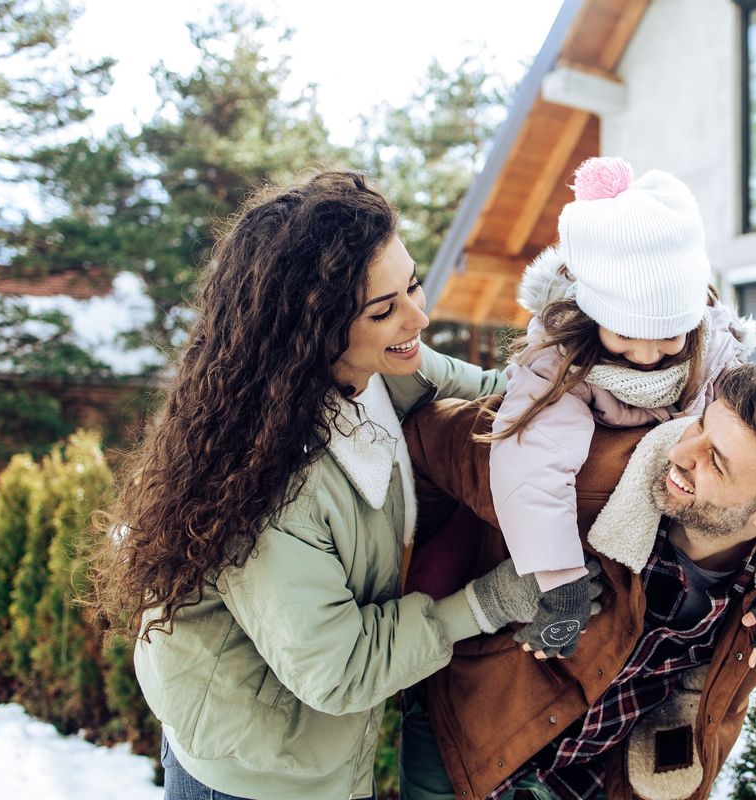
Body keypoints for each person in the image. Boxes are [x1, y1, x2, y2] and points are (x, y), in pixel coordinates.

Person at [90, 171, 574, 800]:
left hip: (326, 754)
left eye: (413, 285)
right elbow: (339, 667)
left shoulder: (377, 364)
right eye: (385, 309)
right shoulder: (264, 480)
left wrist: (598, 363)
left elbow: (496, 399)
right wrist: (490, 602)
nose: (419, 317)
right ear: (311, 329)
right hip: (256, 778)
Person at [399, 358, 756, 800]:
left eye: (715, 460)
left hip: (594, 779)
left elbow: (722, 698)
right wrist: (438, 571)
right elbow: (426, 438)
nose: (682, 450)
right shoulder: (575, 475)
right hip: (468, 743)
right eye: (701, 424)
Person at [482, 156, 756, 659]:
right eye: (627, 334)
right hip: (605, 550)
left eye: (669, 334)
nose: (649, 354)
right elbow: (529, 462)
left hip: (688, 541)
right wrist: (559, 577)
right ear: (594, 315)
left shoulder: (717, 350)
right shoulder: (560, 362)